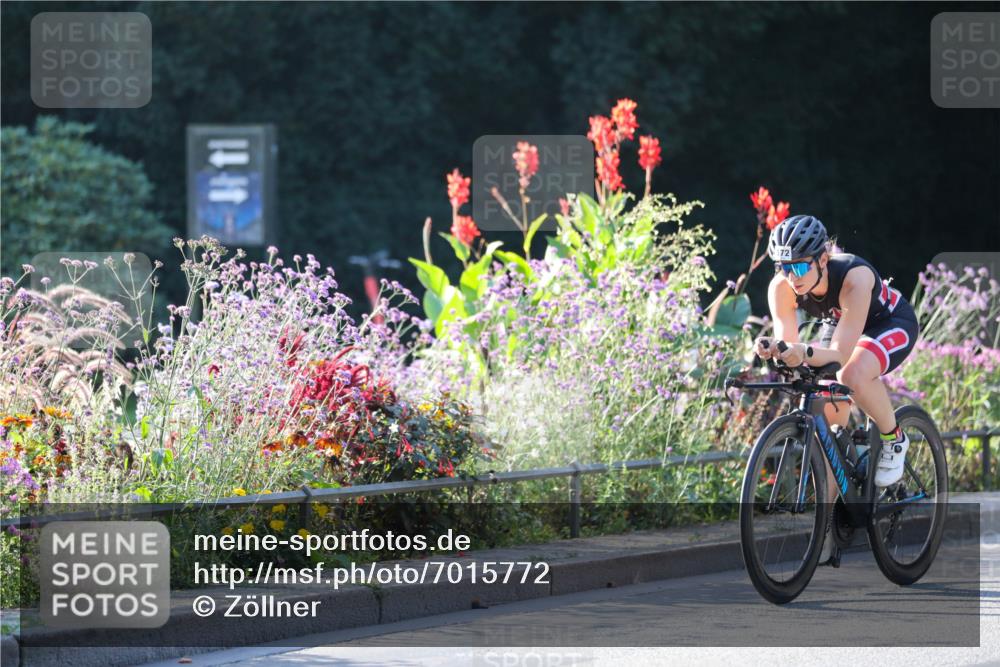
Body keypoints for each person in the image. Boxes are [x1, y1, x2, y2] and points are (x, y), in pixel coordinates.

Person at [753, 214, 920, 563]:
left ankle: (894, 437)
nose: (790, 277)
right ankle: (828, 521)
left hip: (888, 323)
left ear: (823, 259)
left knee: (853, 376)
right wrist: (775, 351)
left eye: (798, 268)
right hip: (842, 323)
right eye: (783, 267)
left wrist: (802, 352)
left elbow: (842, 355)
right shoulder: (781, 286)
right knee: (825, 416)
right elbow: (791, 343)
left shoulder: (855, 278)